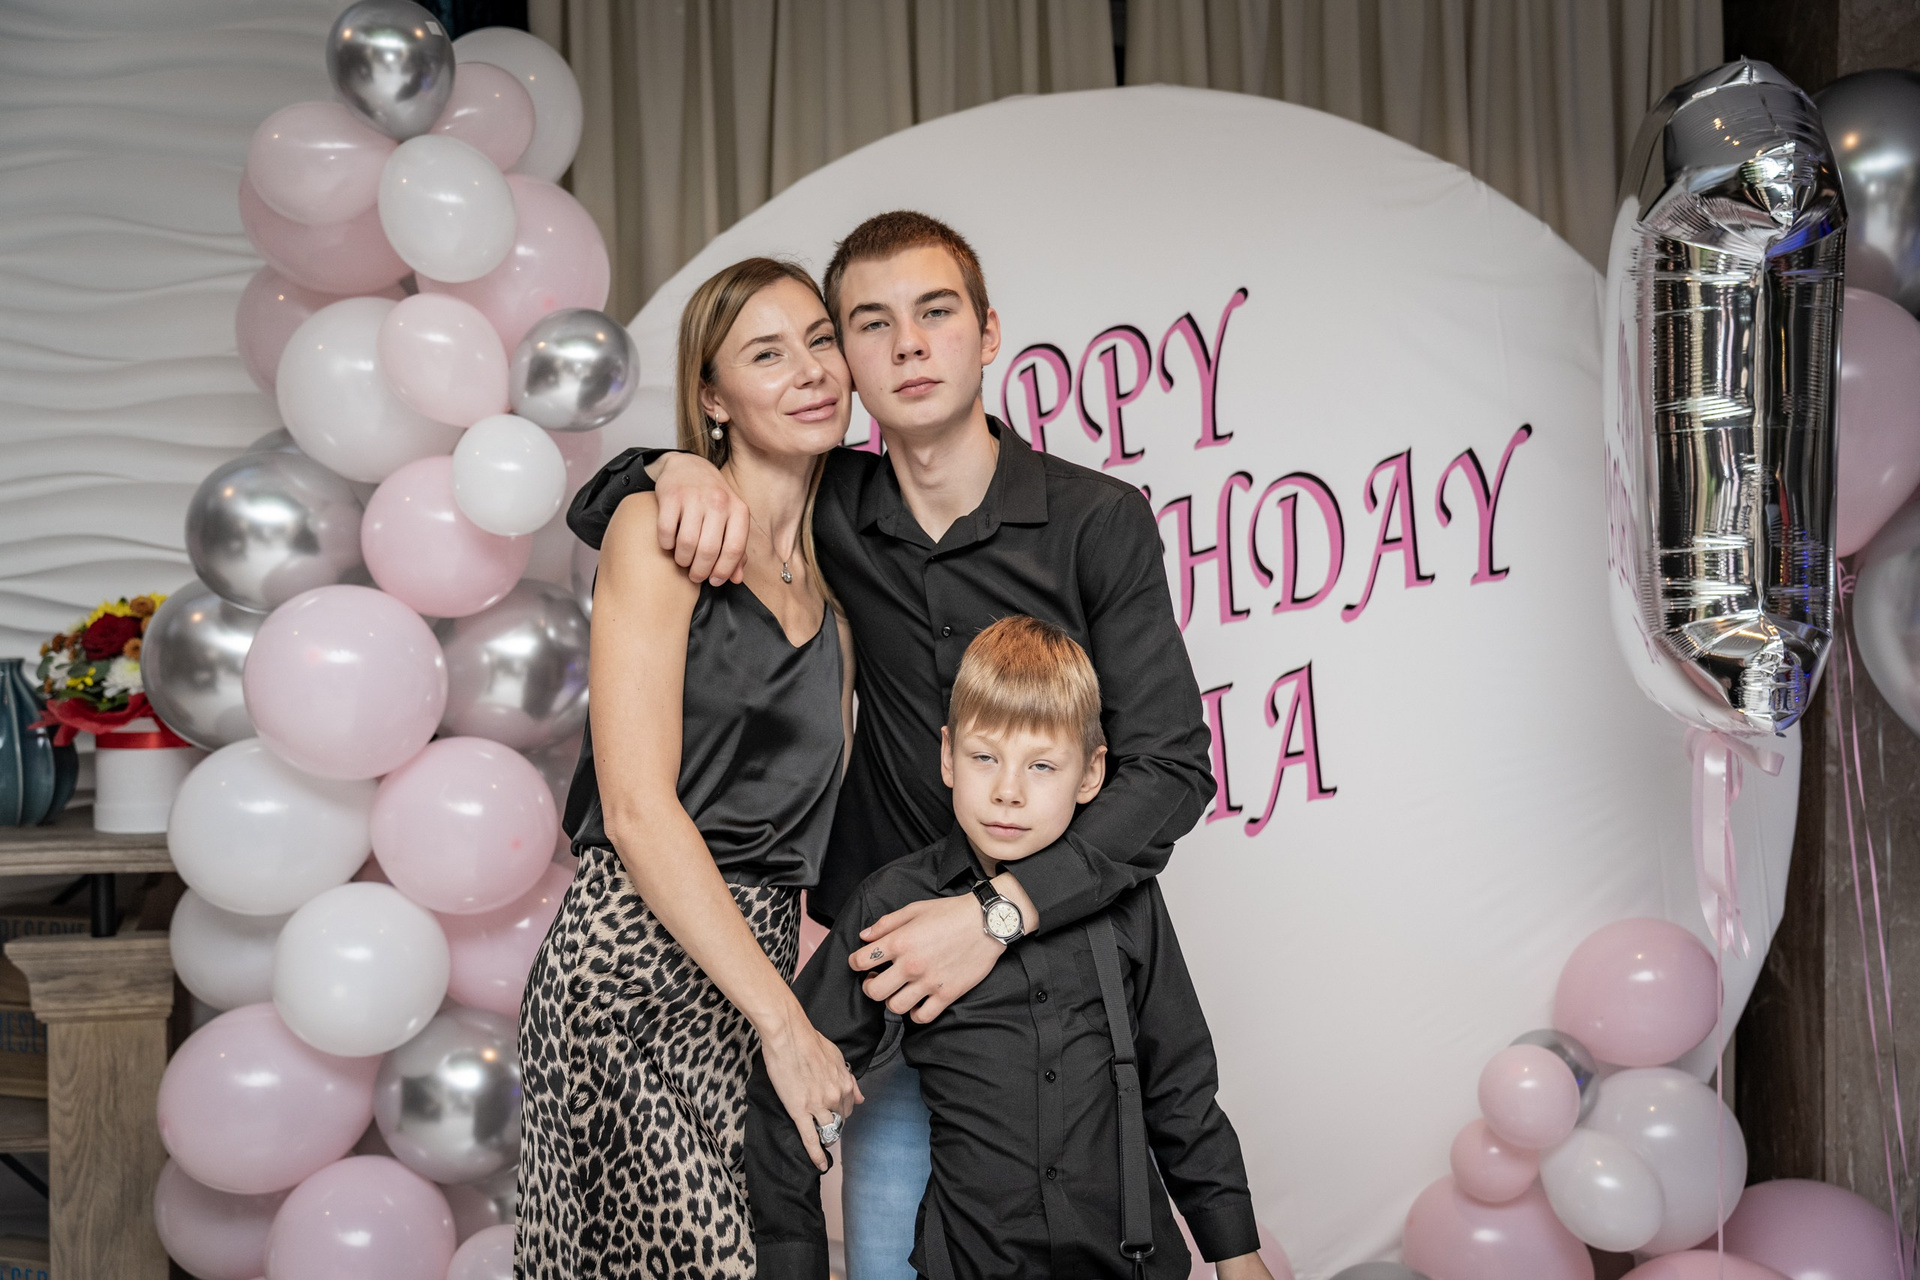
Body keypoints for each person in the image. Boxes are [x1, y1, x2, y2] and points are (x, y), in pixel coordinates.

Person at [639, 211, 1216, 1280]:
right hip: (890, 977)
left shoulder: (1098, 521)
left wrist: (1003, 911)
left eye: (936, 312)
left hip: (1062, 976)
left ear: (988, 333)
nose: (907, 345)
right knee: (888, 1260)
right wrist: (674, 467)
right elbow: (692, 479)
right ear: (846, 363)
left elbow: (1173, 768)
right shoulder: (827, 508)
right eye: (871, 323)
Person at [516, 257, 864, 1280]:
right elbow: (634, 808)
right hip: (631, 970)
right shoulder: (659, 529)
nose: (811, 369)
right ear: (712, 398)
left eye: (821, 339)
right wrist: (786, 1025)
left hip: (747, 977)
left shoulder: (838, 581)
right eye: (768, 353)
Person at [746, 617, 1271, 1280]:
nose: (1007, 791)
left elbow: (1179, 1087)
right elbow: (789, 1084)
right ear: (947, 757)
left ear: (1091, 774)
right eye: (984, 757)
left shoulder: (1129, 897)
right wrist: (792, 1262)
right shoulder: (894, 905)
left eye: (1041, 765)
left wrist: (1236, 1251)